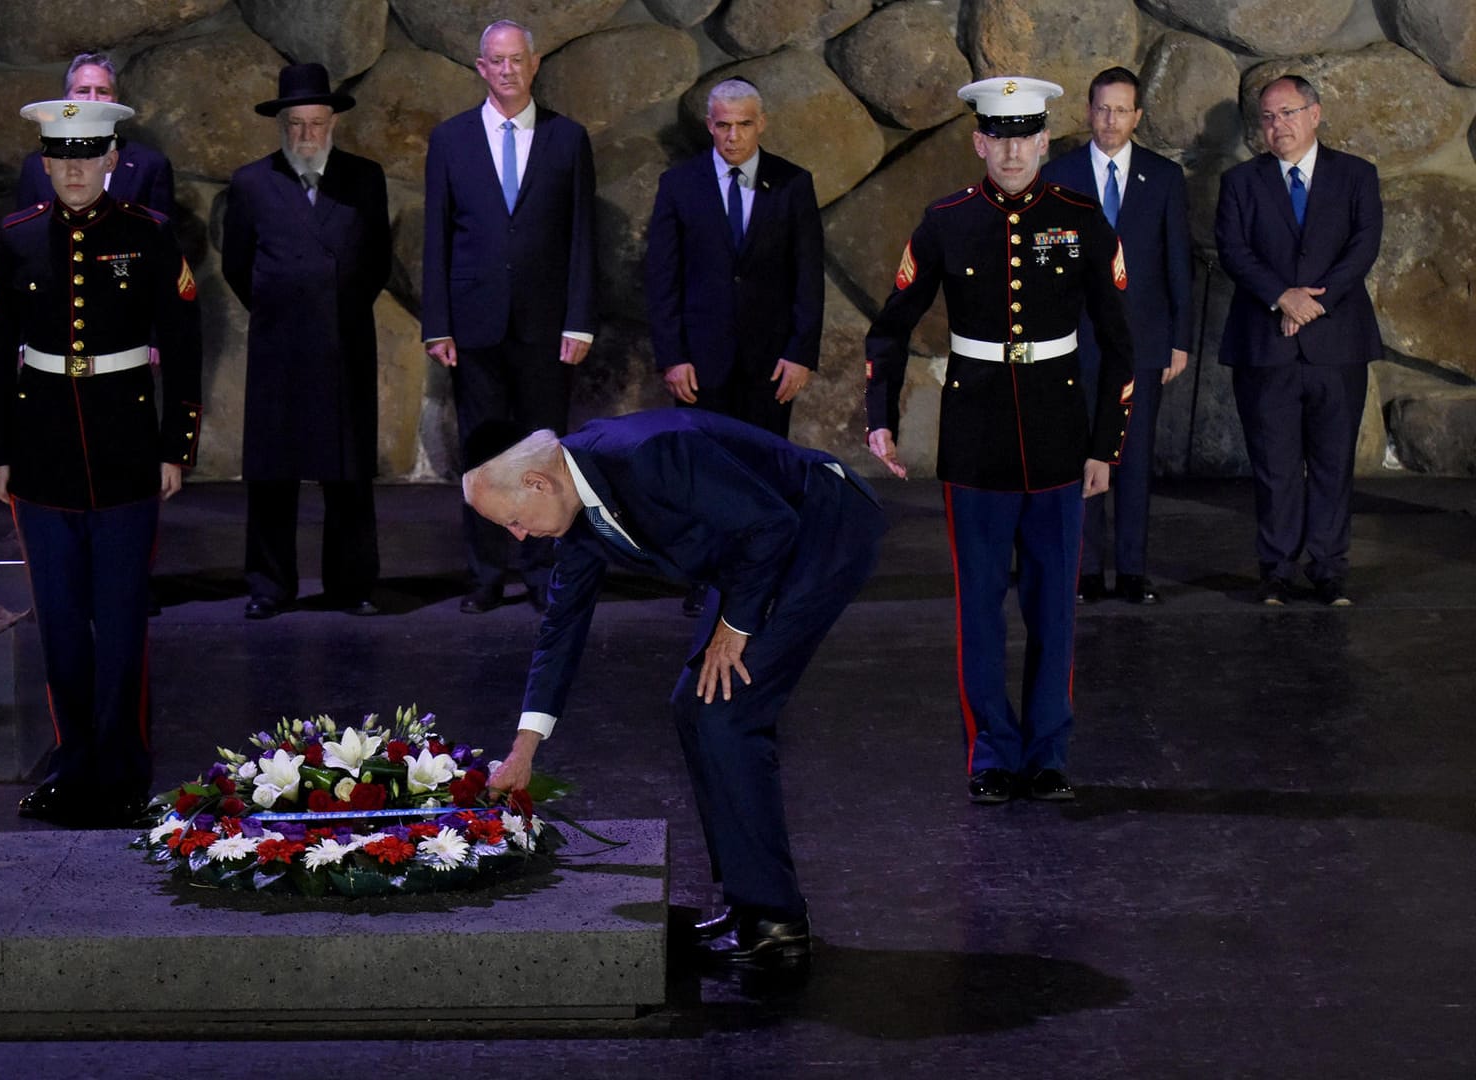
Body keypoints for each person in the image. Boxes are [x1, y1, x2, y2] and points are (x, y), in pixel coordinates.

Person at [467, 409, 884, 969]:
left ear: (538, 483)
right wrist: (525, 750)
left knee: (727, 715)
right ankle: (749, 905)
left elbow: (772, 524)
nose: (519, 537)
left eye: (514, 521)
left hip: (819, 526)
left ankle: (777, 924)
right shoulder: (576, 508)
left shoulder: (651, 455)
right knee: (696, 708)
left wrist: (734, 628)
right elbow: (561, 627)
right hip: (752, 550)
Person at [864, 77, 1135, 805]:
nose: (1013, 150)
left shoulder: (1081, 221)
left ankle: (1047, 755)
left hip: (1057, 434)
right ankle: (990, 754)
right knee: (979, 608)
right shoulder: (946, 221)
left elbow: (1119, 344)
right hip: (976, 439)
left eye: (1026, 136)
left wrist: (1105, 443)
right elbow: (890, 325)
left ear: (1046, 140)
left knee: (1054, 609)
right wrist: (879, 412)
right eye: (999, 136)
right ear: (979, 141)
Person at [0, 98, 203, 825]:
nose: (75, 169)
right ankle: (72, 764)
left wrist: (177, 446)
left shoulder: (151, 236)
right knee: (61, 624)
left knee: (122, 620)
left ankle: (123, 771)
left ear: (113, 159)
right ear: (45, 165)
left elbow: (186, 346)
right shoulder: (16, 240)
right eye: (61, 157)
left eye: (89, 155)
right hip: (41, 455)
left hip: (126, 452)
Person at [423, 19, 597, 615]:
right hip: (473, 326)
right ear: (480, 68)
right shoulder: (451, 140)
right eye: (495, 61)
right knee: (482, 452)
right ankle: (486, 575)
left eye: (516, 60)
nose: (507, 70)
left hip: (546, 327)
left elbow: (582, 237)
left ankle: (543, 571)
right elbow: (437, 237)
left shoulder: (567, 139)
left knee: (545, 453)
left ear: (535, 63)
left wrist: (579, 319)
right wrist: (437, 323)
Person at [645, 76, 824, 616]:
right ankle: (706, 578)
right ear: (709, 125)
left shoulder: (793, 184)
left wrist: (801, 353)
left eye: (744, 124)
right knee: (703, 474)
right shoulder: (680, 185)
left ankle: (763, 578)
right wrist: (673, 356)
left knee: (766, 474)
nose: (733, 135)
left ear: (761, 124)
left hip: (771, 364)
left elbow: (807, 277)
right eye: (723, 124)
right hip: (701, 363)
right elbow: (663, 279)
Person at [222, 63, 391, 619]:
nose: (306, 135)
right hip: (279, 345)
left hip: (345, 343)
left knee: (347, 473)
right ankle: (268, 586)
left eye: (316, 124)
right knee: (272, 473)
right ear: (281, 126)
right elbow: (238, 265)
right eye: (295, 124)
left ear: (333, 124)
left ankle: (353, 584)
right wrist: (282, 307)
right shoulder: (251, 183)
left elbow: (376, 263)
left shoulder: (365, 179)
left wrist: (335, 306)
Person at [1214, 75, 1383, 608]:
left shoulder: (1357, 175)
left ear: (1315, 114)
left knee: (1333, 464)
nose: (1276, 126)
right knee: (1275, 465)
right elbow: (1233, 250)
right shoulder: (1241, 181)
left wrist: (1314, 303)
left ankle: (1330, 569)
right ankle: (1277, 570)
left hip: (1338, 346)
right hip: (1265, 346)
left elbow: (1363, 246)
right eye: (1266, 117)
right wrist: (1281, 296)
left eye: (1287, 113)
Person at [1042, 67, 1194, 606]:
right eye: (1102, 108)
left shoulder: (1164, 177)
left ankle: (1132, 571)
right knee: (1081, 454)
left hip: (1144, 344)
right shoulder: (1058, 174)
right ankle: (1083, 570)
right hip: (1074, 343)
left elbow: (1179, 264)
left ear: (1138, 117)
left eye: (1122, 110)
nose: (1111, 120)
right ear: (1089, 111)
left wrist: (1179, 340)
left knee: (1133, 456)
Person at [15, 52, 174, 215]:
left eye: (103, 91)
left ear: (115, 99)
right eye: (83, 91)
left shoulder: (150, 166)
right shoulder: (36, 166)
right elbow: (24, 234)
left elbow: (161, 237)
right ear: (66, 101)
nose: (93, 99)